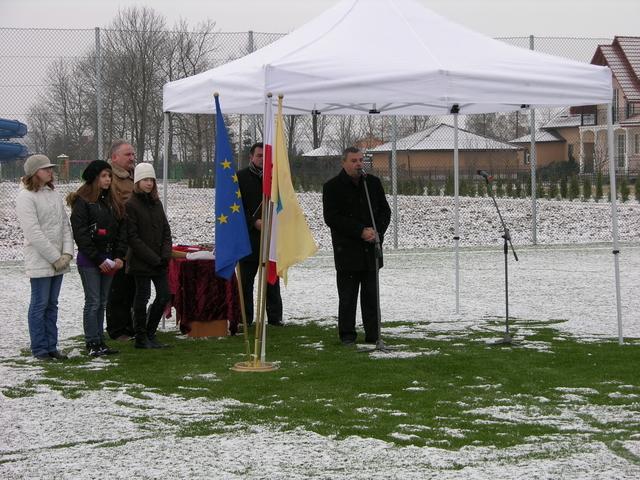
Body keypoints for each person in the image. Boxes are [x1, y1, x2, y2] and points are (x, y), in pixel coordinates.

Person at [322, 147, 391, 345]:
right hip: (347, 251)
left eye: (361, 160)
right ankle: (347, 335)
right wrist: (360, 231)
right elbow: (332, 217)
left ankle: (373, 334)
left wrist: (377, 232)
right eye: (354, 161)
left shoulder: (372, 183)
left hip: (371, 250)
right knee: (348, 296)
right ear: (343, 162)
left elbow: (385, 211)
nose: (358, 164)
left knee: (371, 296)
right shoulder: (332, 187)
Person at [15, 154, 74, 360]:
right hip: (41, 260)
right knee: (40, 304)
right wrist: (54, 257)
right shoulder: (25, 197)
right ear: (34, 172)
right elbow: (33, 232)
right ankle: (39, 348)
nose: (50, 171)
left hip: (59, 260)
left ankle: (51, 346)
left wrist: (67, 252)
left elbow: (64, 225)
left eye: (51, 168)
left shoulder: (53, 194)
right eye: (45, 169)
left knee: (52, 304)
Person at [68, 160, 127, 357]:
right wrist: (98, 259)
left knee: (102, 301)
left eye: (109, 176)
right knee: (93, 301)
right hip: (91, 261)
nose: (108, 179)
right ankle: (92, 342)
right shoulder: (83, 202)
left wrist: (118, 256)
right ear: (94, 178)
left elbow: (121, 231)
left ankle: (101, 341)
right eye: (104, 176)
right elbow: (81, 235)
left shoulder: (112, 202)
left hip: (109, 259)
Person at [236, 142, 284, 327]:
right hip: (248, 238)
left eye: (266, 156)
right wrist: (254, 222)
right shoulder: (240, 177)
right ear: (251, 157)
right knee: (246, 282)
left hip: (270, 238)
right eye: (259, 155)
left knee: (271, 280)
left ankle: (275, 317)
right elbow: (236, 208)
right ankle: (244, 318)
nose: (262, 159)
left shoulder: (275, 178)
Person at [125, 162, 172, 349]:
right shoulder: (131, 205)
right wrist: (153, 258)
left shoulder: (156, 203)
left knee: (164, 295)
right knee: (142, 297)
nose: (149, 183)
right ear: (138, 181)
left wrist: (165, 254)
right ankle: (140, 336)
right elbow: (133, 238)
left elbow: (166, 230)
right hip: (141, 261)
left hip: (159, 260)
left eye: (151, 179)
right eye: (145, 179)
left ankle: (150, 332)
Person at [106, 139, 136, 340]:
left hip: (135, 239)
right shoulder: (110, 178)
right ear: (115, 157)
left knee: (132, 287)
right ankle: (117, 329)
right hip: (119, 240)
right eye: (128, 154)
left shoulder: (135, 175)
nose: (132, 158)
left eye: (133, 154)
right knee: (118, 288)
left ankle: (129, 326)